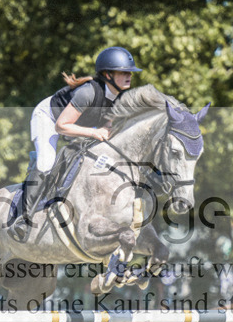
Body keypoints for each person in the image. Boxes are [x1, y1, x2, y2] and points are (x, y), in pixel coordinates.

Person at [8, 46, 142, 241]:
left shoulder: (120, 98)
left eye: (129, 72)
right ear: (107, 74)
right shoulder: (88, 92)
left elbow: (108, 125)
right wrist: (95, 132)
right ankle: (21, 219)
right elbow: (62, 126)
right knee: (46, 162)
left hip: (79, 124)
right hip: (50, 118)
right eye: (123, 72)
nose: (129, 75)